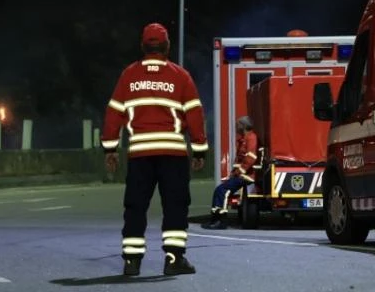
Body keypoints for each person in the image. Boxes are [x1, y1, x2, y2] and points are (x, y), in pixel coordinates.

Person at [102, 22, 208, 277]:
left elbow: (114, 113)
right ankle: (174, 259)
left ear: (142, 46)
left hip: (140, 154)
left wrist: (110, 149)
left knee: (135, 206)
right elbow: (194, 114)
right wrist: (200, 150)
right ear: (167, 46)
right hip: (173, 153)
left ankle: (132, 262)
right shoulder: (180, 75)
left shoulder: (129, 75)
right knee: (175, 205)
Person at [202, 116, 258, 230]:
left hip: (246, 176)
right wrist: (234, 173)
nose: (236, 127)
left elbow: (251, 157)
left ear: (243, 126)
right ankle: (215, 218)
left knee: (223, 191)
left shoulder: (251, 138)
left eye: (238, 125)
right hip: (241, 175)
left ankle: (222, 221)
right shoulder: (244, 139)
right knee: (218, 190)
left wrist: (238, 172)